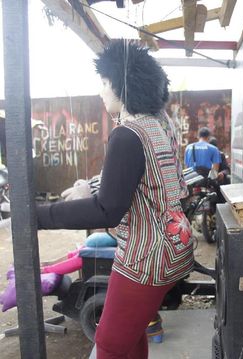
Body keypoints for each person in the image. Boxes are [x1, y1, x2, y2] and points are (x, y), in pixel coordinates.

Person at [36, 39, 193, 359]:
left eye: (104, 83)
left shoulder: (126, 134)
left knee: (108, 342)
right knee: (131, 333)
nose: (100, 91)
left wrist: (39, 215)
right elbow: (138, 179)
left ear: (121, 85)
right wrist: (91, 188)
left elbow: (107, 210)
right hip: (175, 247)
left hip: (145, 258)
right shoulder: (160, 124)